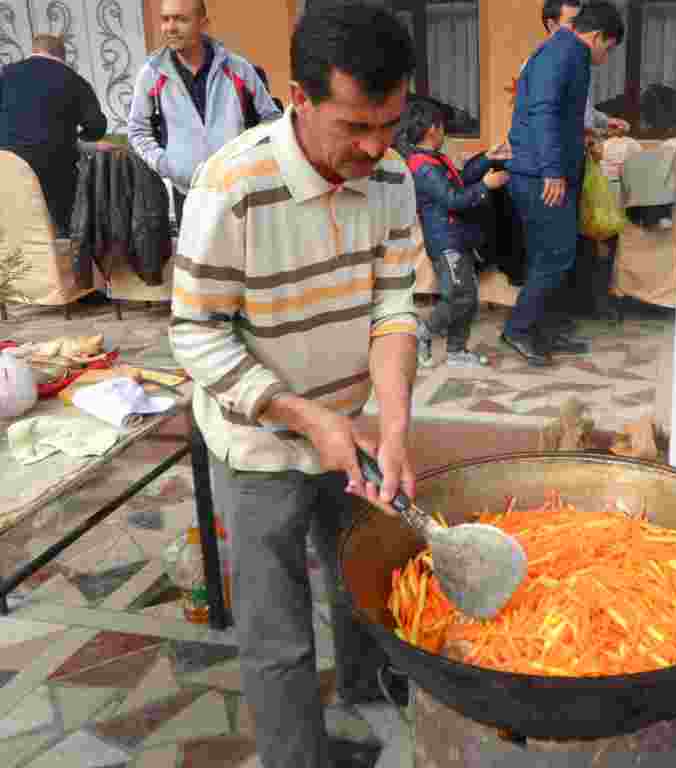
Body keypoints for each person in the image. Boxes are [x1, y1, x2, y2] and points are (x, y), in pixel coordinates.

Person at [168, 4, 419, 767]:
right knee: (277, 636)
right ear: (298, 99)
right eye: (356, 127)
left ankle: (368, 691)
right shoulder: (232, 185)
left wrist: (397, 426)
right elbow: (195, 331)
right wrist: (301, 415)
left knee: (361, 580)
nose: (377, 148)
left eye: (392, 123)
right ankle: (295, 757)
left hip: (349, 427)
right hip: (258, 444)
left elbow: (393, 305)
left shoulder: (393, 175)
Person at [502, 0, 625, 367]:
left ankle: (544, 328)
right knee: (555, 255)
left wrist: (591, 132)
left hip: (546, 171)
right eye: (610, 48)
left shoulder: (567, 52)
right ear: (599, 36)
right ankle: (519, 329)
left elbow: (563, 115)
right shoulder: (564, 53)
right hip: (542, 176)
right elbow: (544, 112)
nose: (607, 56)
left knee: (551, 255)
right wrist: (553, 171)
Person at [128, 0, 280, 227]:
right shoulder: (151, 74)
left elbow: (272, 121)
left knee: (245, 260)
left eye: (181, 19)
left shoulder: (238, 68)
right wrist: (166, 164)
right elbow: (138, 130)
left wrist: (250, 164)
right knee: (196, 262)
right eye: (165, 19)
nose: (170, 27)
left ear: (203, 23)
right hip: (187, 193)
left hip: (239, 191)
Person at [401, 99, 510, 369]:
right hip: (446, 241)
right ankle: (424, 333)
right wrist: (485, 186)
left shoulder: (432, 159)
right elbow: (453, 199)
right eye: (442, 126)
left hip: (457, 237)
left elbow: (460, 180)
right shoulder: (423, 166)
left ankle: (457, 351)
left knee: (467, 297)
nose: (444, 131)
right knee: (459, 296)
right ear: (431, 129)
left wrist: (488, 158)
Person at [0, 34, 107, 235]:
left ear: (34, 51)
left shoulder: (5, 74)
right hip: (54, 167)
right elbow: (96, 127)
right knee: (68, 226)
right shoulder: (74, 80)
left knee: (15, 231)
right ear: (62, 55)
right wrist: (75, 138)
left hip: (6, 163)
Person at [540, 0, 631, 135]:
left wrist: (605, 121)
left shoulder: (578, 64)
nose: (577, 28)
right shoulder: (545, 64)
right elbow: (544, 122)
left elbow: (581, 109)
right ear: (552, 26)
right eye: (571, 22)